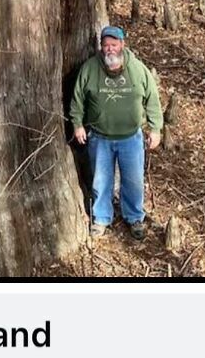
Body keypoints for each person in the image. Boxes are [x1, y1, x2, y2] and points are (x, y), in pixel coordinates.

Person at [70, 24, 163, 240]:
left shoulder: (137, 69)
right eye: (105, 45)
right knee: (101, 182)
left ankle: (134, 217)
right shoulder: (90, 69)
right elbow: (78, 99)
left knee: (133, 180)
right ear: (101, 48)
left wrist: (155, 129)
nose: (110, 49)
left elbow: (152, 99)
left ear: (122, 44)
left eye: (113, 44)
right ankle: (101, 219)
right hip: (100, 138)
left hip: (131, 137)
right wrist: (77, 124)